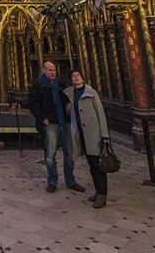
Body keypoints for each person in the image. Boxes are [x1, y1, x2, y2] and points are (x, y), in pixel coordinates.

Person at [26, 61, 85, 193]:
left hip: (64, 122)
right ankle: (52, 181)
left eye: (54, 70)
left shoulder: (60, 84)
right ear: (43, 71)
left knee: (69, 154)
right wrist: (43, 118)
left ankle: (71, 181)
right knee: (50, 154)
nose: (52, 72)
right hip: (50, 124)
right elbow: (32, 104)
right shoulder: (38, 86)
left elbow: (68, 98)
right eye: (49, 70)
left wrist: (69, 106)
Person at [64, 71, 111, 208]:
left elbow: (100, 114)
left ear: (83, 78)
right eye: (73, 76)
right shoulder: (71, 94)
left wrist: (104, 135)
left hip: (94, 135)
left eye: (78, 75)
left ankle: (102, 195)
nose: (76, 78)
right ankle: (98, 191)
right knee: (92, 165)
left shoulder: (91, 93)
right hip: (82, 134)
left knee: (99, 165)